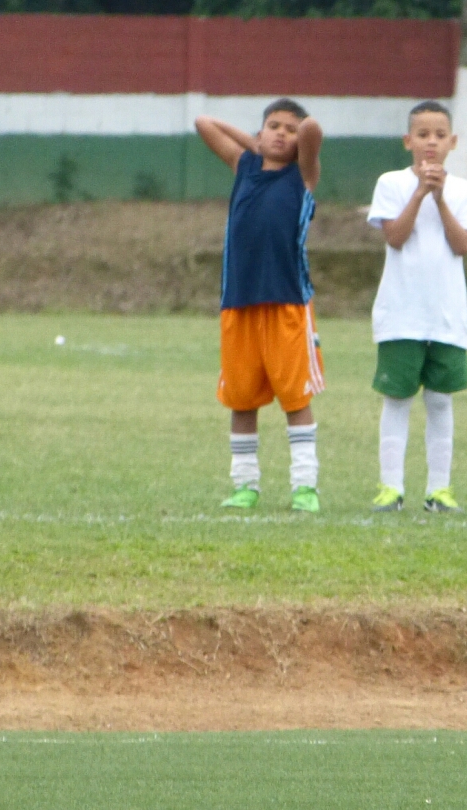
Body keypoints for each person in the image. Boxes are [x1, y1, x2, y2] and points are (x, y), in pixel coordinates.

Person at [195, 100, 325, 512]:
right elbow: (204, 122)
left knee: (295, 400)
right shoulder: (245, 166)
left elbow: (313, 129)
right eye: (273, 125)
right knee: (241, 399)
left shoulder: (302, 175)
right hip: (239, 302)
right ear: (259, 132)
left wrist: (293, 136)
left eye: (289, 128)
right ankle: (245, 484)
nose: (281, 133)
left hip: (287, 304)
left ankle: (304, 486)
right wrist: (253, 144)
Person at [367, 101, 467, 513]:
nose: (431, 142)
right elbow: (395, 237)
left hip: (447, 316)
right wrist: (420, 193)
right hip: (401, 313)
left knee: (440, 401)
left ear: (453, 142)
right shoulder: (391, 183)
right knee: (397, 400)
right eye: (422, 135)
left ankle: (439, 489)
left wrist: (440, 198)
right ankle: (390, 487)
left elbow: (462, 245)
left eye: (439, 135)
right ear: (407, 141)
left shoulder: (464, 190)